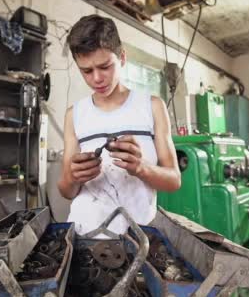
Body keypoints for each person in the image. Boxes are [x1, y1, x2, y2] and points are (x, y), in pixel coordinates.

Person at [57, 14, 181, 236]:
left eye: (105, 66)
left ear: (122, 57)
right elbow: (66, 190)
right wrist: (73, 177)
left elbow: (174, 181)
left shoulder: (152, 106)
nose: (96, 78)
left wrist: (141, 168)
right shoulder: (74, 115)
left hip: (138, 238)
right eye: (86, 71)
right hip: (85, 235)